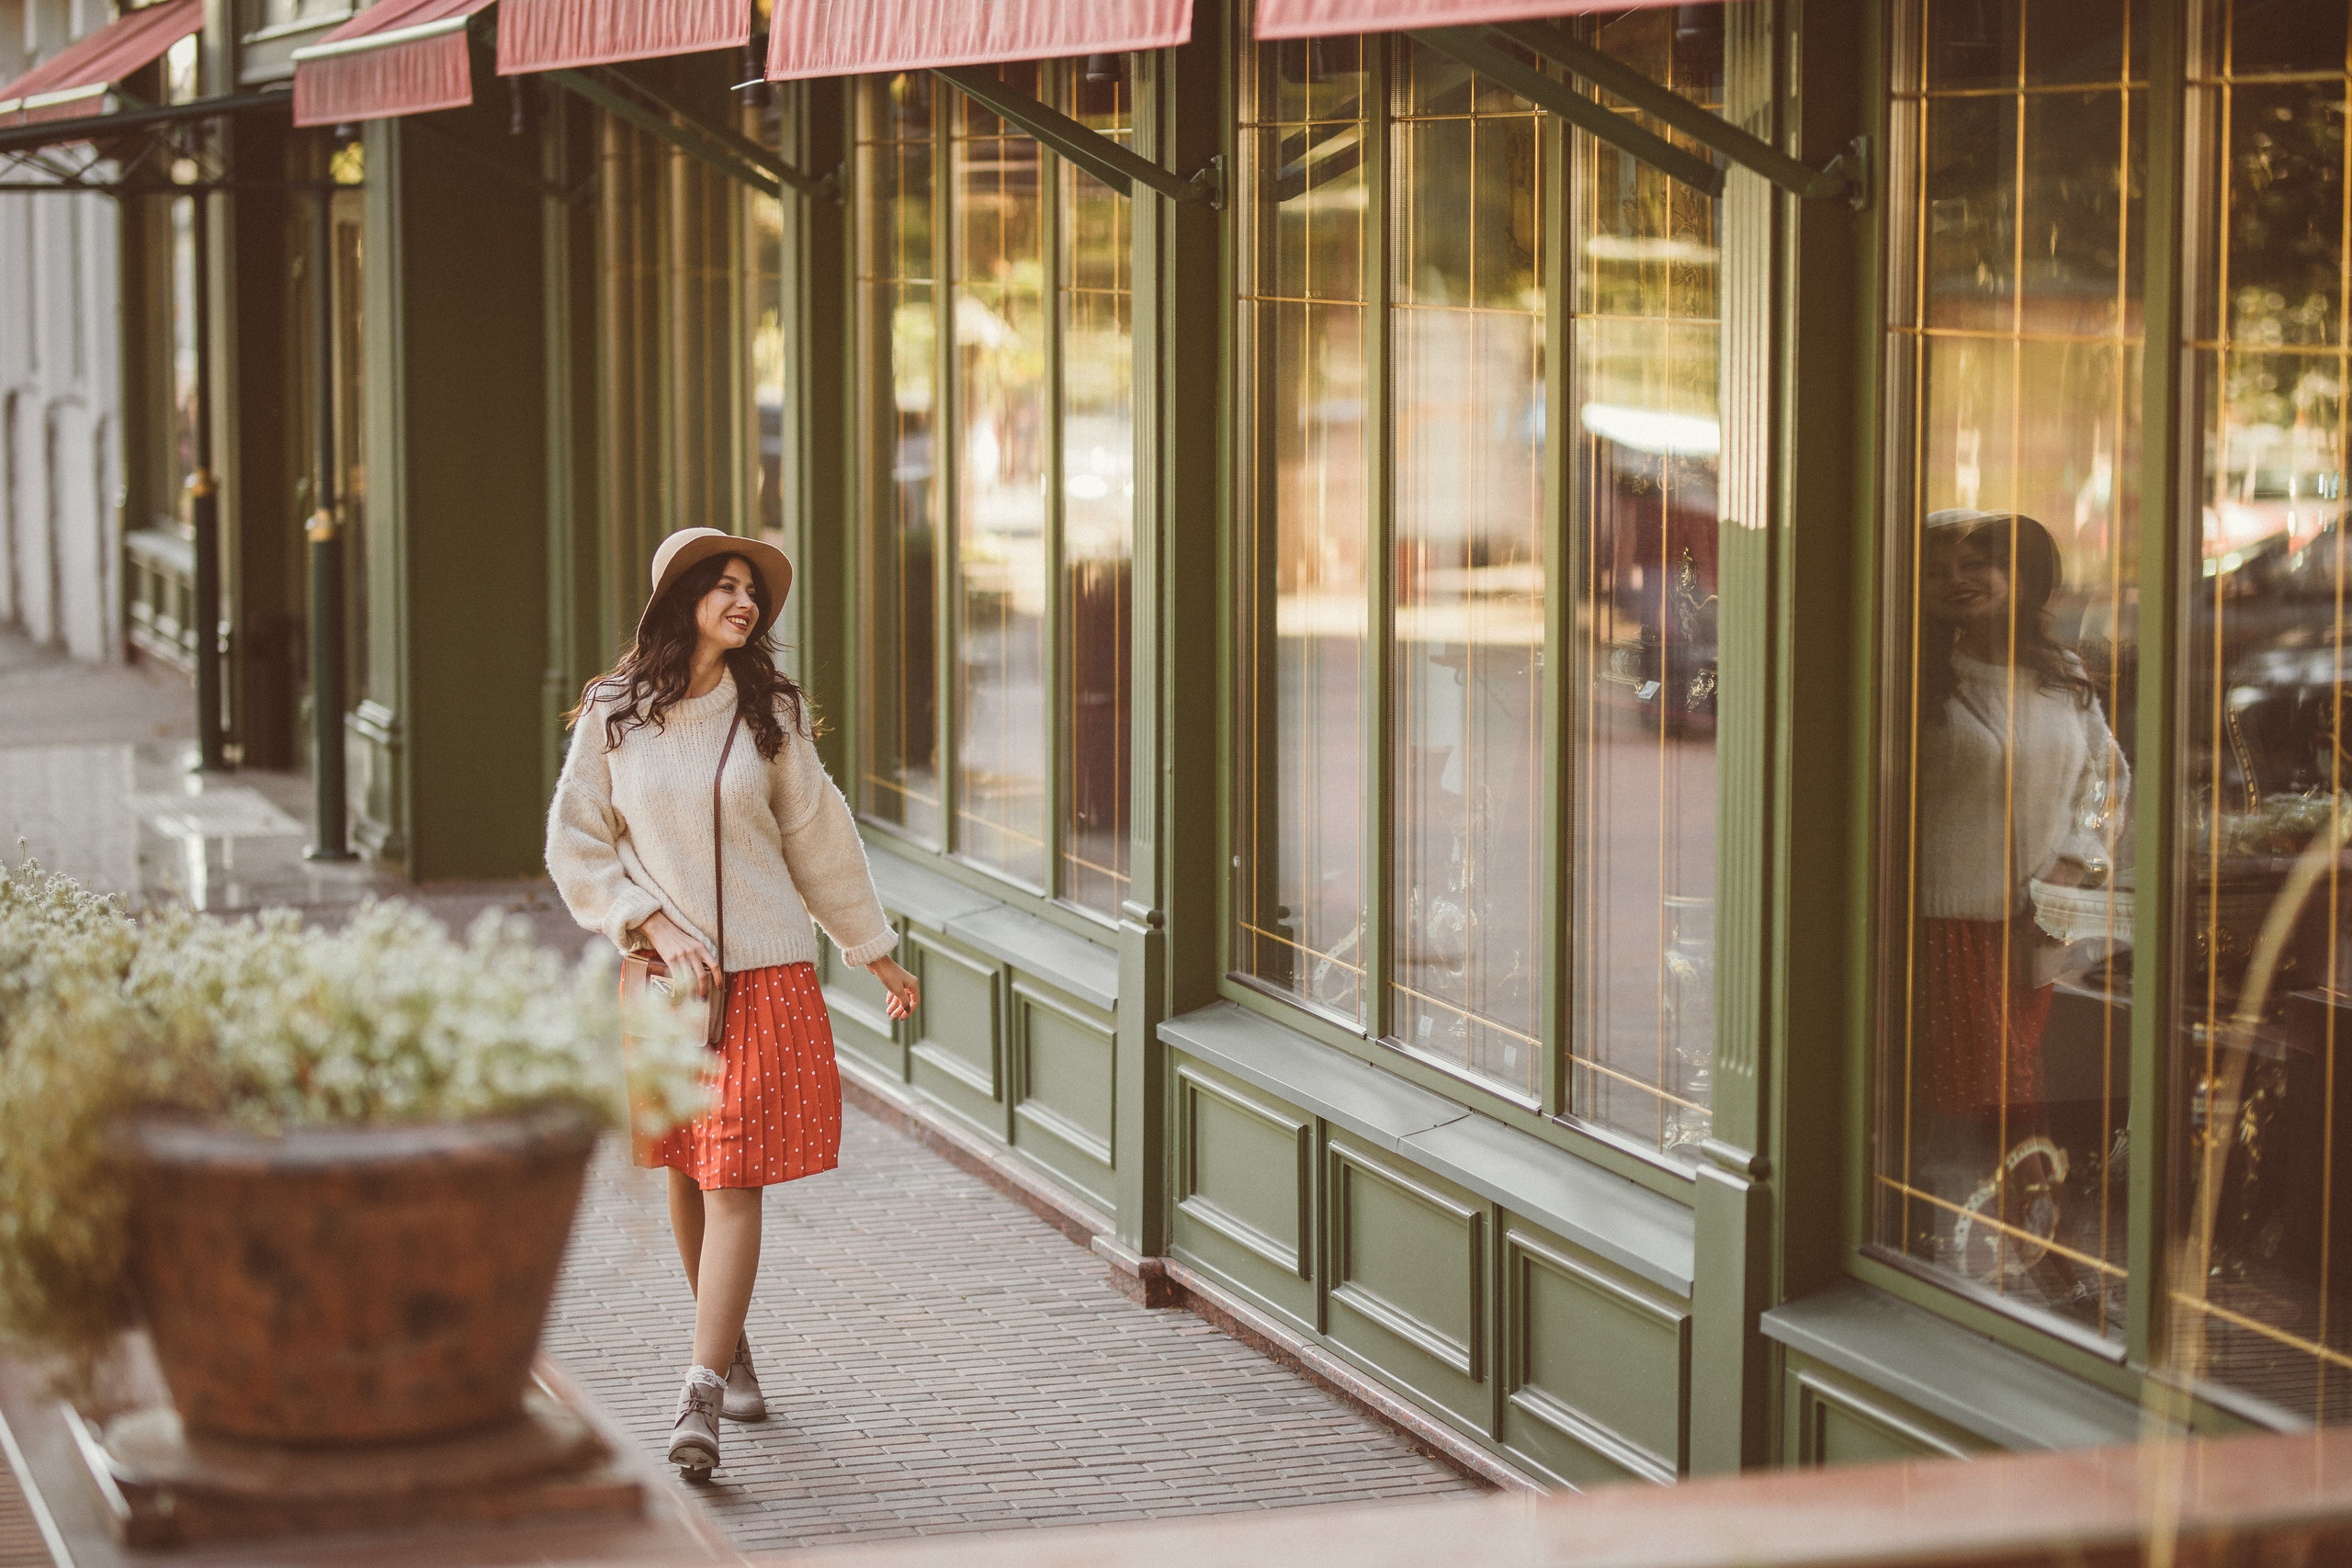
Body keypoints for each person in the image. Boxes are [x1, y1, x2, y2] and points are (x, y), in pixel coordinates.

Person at [547, 526, 919, 1477]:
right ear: (680, 599)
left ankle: (697, 1395)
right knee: (684, 1166)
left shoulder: (770, 712)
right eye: (723, 585)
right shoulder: (614, 712)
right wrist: (646, 923)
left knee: (732, 1178)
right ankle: (731, 1342)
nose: (744, 601)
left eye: (752, 590)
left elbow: (818, 836)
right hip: (670, 981)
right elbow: (577, 844)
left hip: (767, 976)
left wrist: (872, 952)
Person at [1910, 509, 2127, 1279]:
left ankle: (2016, 1249)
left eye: (1977, 563)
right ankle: (2024, 1257)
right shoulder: (1912, 675)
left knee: (2010, 1087)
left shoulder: (2062, 675)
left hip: (2038, 924)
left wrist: (2075, 862)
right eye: (1938, 569)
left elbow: (2106, 783)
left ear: (2024, 579)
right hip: (1941, 926)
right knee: (1984, 1099)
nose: (1957, 580)